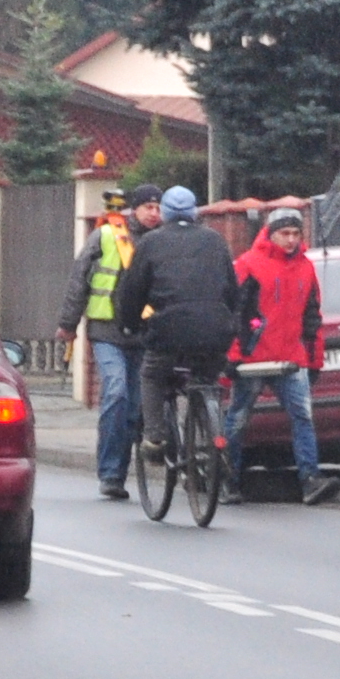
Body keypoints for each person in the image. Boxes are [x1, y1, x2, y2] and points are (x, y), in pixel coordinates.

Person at [108, 184, 243, 485]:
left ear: (166, 213)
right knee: (205, 379)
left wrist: (128, 324)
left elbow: (133, 291)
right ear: (195, 212)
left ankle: (155, 438)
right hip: (215, 329)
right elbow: (232, 290)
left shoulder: (151, 242)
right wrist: (230, 321)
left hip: (169, 329)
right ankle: (208, 433)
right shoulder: (215, 240)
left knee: (153, 374)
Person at [228, 207, 338, 503]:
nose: (290, 240)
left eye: (295, 234)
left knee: (303, 417)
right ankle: (228, 479)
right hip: (253, 359)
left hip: (291, 358)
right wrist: (234, 354)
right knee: (238, 419)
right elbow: (235, 314)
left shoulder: (305, 267)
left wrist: (314, 359)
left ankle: (310, 480)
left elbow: (312, 317)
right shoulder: (248, 265)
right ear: (271, 233)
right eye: (284, 233)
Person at [85, 187, 162, 501]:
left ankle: (119, 473)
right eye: (148, 207)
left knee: (134, 407)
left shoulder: (163, 242)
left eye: (158, 208)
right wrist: (67, 325)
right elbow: (80, 278)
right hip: (107, 331)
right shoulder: (107, 235)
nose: (154, 213)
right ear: (133, 210)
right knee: (116, 391)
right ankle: (110, 472)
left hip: (143, 335)